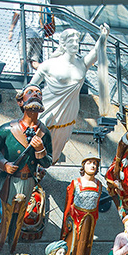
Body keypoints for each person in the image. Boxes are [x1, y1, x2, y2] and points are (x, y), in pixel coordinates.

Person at [30, 25, 109, 159]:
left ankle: (47, 164)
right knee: (38, 141)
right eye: (71, 41)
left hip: (69, 113)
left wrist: (103, 37)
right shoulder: (49, 64)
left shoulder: (81, 64)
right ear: (63, 44)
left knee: (56, 147)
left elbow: (96, 52)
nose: (75, 44)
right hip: (48, 109)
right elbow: (31, 87)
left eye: (77, 41)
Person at [0, 86, 54, 253]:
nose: (36, 95)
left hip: (28, 181)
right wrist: (4, 164)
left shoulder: (44, 133)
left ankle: (13, 244)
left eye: (39, 93)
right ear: (20, 101)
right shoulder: (7, 129)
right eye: (30, 92)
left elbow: (48, 161)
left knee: (20, 217)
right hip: (9, 179)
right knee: (3, 212)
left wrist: (40, 149)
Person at [63, 156, 105, 255]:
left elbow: (96, 206)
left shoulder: (99, 185)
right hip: (75, 220)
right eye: (89, 163)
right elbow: (68, 203)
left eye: (95, 163)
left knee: (84, 248)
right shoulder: (76, 183)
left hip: (89, 222)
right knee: (72, 246)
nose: (92, 166)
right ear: (83, 166)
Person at [8, 0, 43, 71]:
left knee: (23, 59)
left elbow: (16, 15)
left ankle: (25, 78)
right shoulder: (36, 1)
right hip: (39, 33)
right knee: (34, 62)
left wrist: (11, 31)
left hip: (27, 33)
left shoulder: (19, 0)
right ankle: (48, 73)